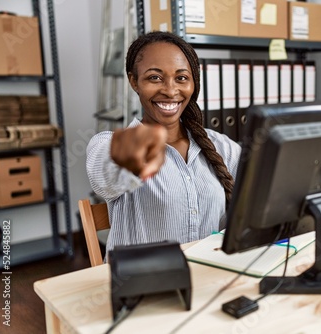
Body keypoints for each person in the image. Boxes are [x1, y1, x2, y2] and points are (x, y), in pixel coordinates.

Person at [86, 31, 241, 258]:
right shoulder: (107, 144)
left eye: (181, 78)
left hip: (211, 278)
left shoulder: (220, 146)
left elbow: (257, 195)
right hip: (144, 285)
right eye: (155, 78)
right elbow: (105, 175)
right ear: (134, 81)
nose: (170, 91)